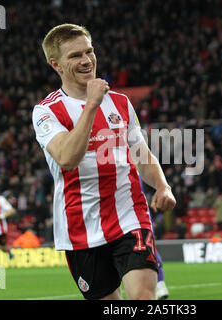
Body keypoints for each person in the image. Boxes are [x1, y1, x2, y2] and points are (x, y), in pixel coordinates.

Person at [32, 24, 176, 300]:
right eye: (75, 55)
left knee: (143, 297)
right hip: (80, 227)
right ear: (56, 65)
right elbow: (67, 158)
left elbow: (141, 153)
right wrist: (91, 105)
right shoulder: (46, 111)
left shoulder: (120, 103)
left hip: (129, 215)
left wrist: (162, 186)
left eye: (89, 51)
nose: (87, 60)